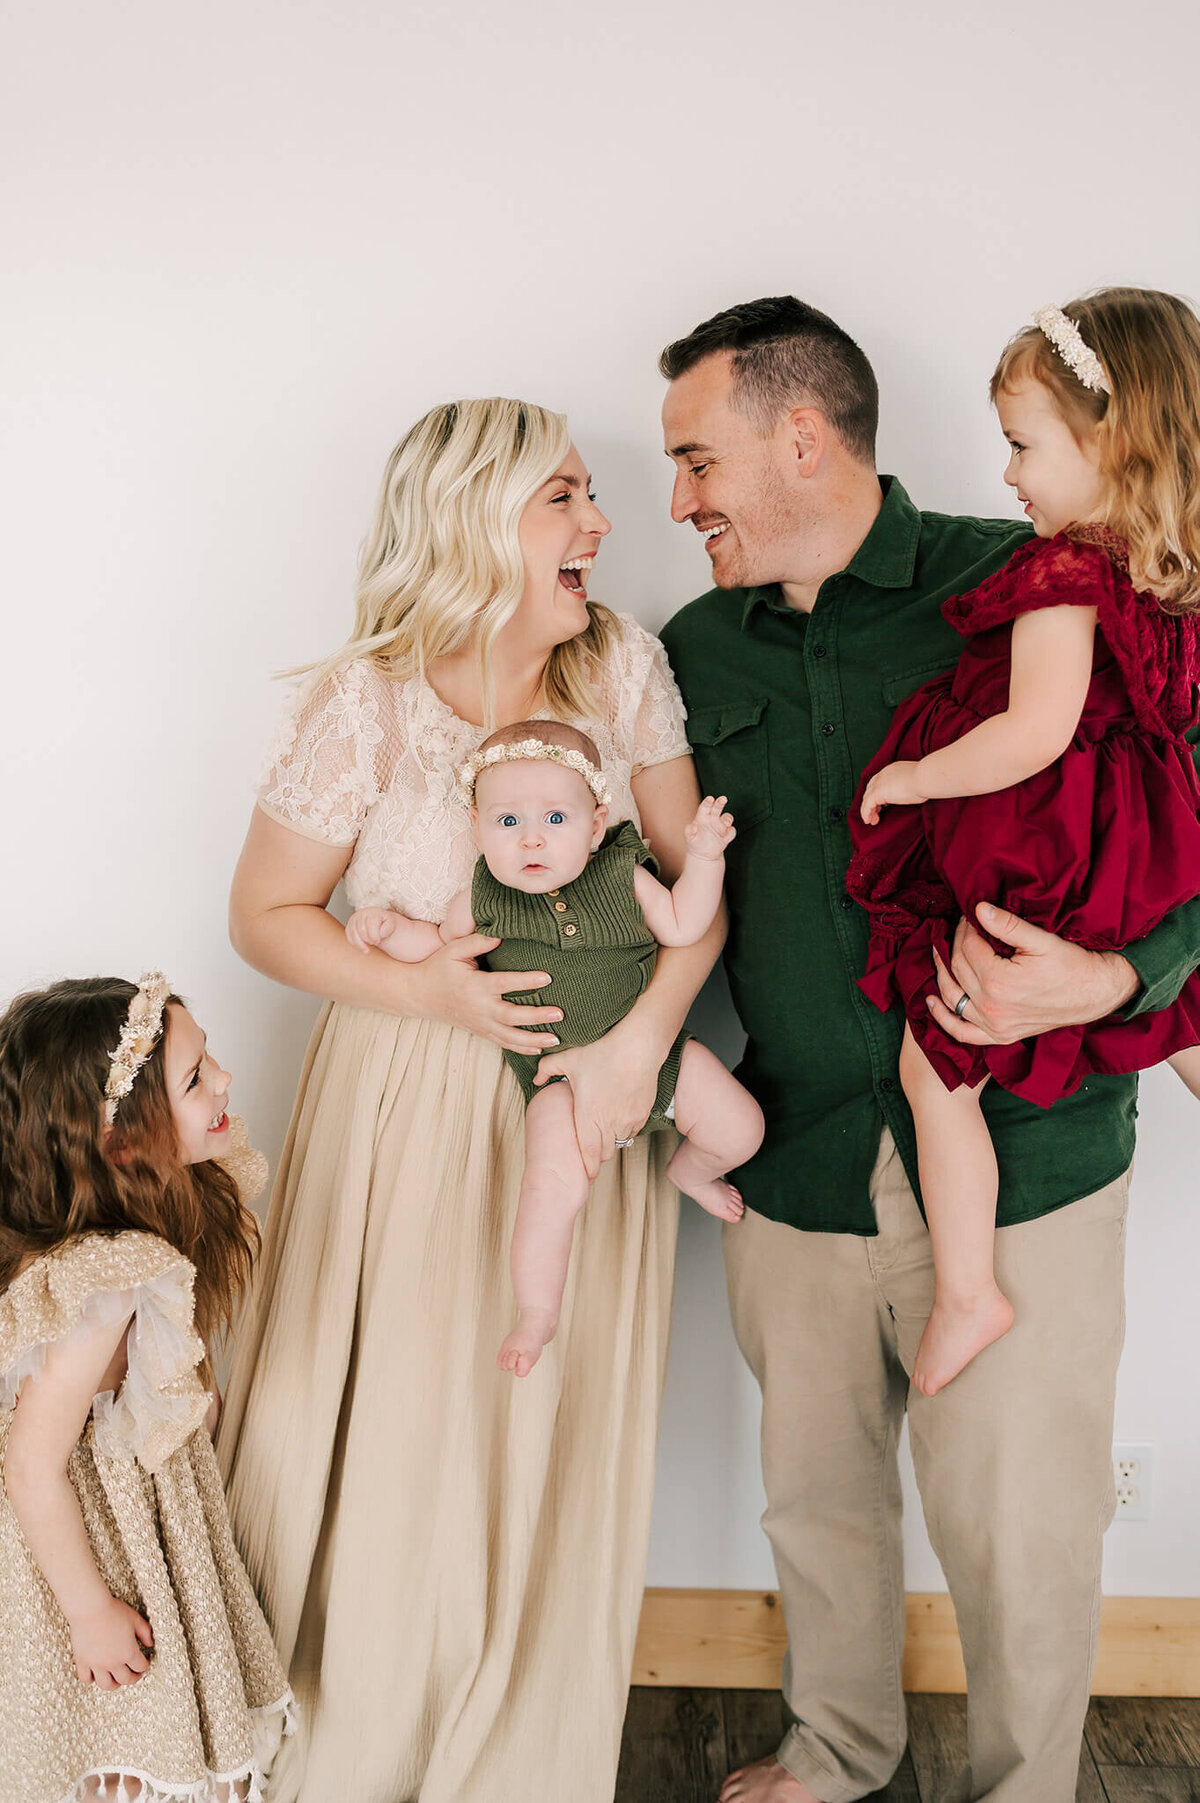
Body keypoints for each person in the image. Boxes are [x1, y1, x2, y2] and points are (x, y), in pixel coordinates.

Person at [657, 296, 1200, 1803]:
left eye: (698, 459)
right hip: (803, 1154)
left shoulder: (1027, 584)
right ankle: (838, 1750)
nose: (681, 500)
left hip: (1035, 1153)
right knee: (816, 1504)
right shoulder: (689, 650)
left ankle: (1030, 1786)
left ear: (804, 437)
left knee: (1027, 1528)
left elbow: (1190, 806)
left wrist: (1111, 975)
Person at [216, 398, 717, 1803]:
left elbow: (695, 901)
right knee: (402, 1417)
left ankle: (513, 1755)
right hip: (405, 1103)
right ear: (477, 518)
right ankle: (355, 1734)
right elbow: (267, 913)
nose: (603, 526)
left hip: (587, 1097)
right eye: (567, 496)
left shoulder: (624, 668)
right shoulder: (368, 697)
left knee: (537, 1409)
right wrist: (435, 994)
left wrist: (641, 1057)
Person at [845, 291, 1200, 1397]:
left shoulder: (1065, 573)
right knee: (1178, 1014)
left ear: (1113, 443)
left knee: (932, 1056)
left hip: (1055, 856)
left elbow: (1032, 732)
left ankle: (967, 1291)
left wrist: (912, 777)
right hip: (1145, 857)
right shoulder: (1169, 578)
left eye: (1021, 445)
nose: (1006, 477)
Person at [345, 718, 763, 1374]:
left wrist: (706, 858)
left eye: (555, 819)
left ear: (596, 825)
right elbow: (437, 944)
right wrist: (391, 928)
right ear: (479, 831)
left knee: (743, 1128)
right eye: (507, 822)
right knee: (547, 1187)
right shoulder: (485, 896)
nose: (531, 836)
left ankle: (693, 1168)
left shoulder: (624, 874)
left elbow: (686, 923)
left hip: (660, 1057)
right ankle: (537, 1312)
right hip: (557, 1080)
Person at [0, 973, 292, 1803]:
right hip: (89, 1525)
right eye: (196, 1078)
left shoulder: (146, 1220)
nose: (225, 1081)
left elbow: (169, 1355)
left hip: (145, 1486)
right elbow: (29, 1464)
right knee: (126, 1701)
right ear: (122, 1143)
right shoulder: (103, 1285)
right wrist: (89, 1608)